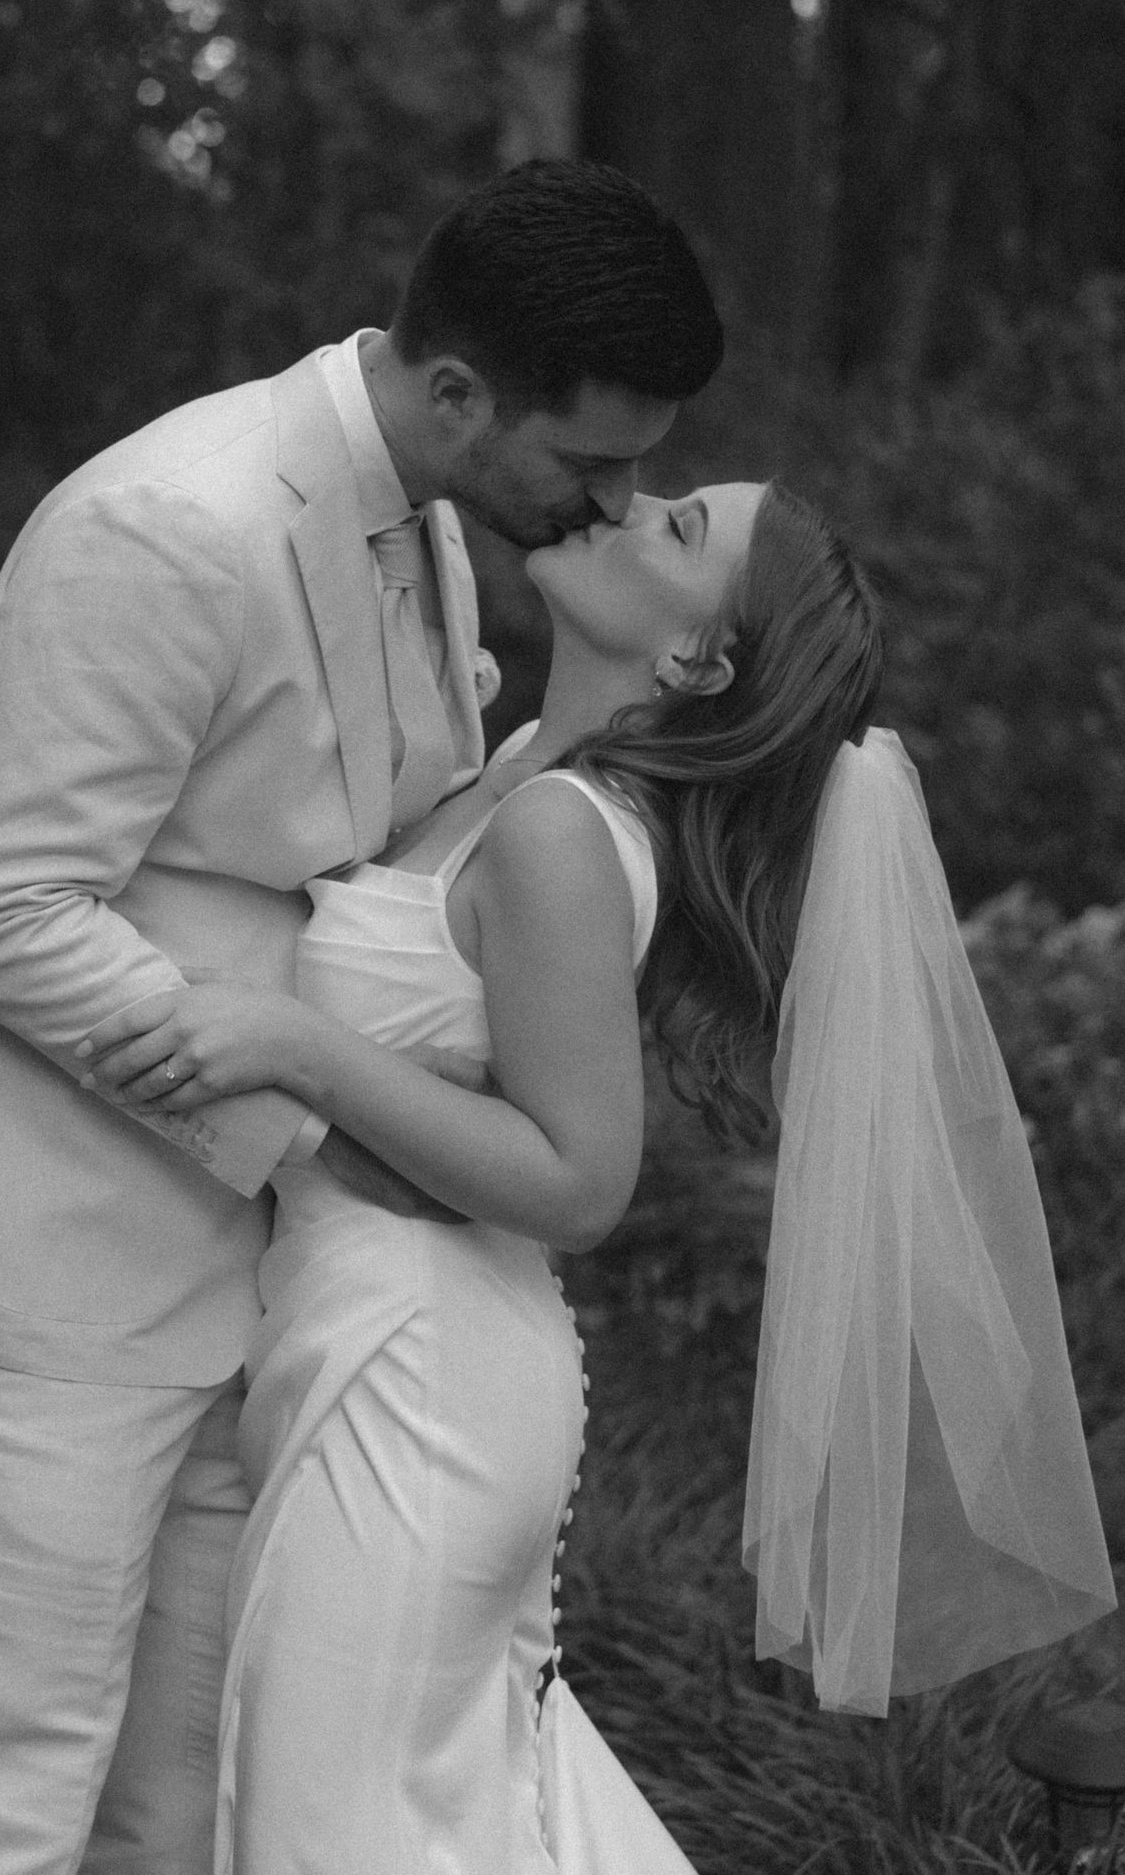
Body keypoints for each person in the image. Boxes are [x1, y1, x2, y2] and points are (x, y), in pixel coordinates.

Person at [0, 158, 724, 1875]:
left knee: (184, 1805)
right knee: (0, 1788)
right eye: (591, 460)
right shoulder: (169, 521)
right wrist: (311, 1118)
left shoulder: (436, 529)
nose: (614, 500)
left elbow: (367, 860)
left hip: (275, 1286)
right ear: (459, 393)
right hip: (45, 1254)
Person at [93, 480, 1117, 1873]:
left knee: (327, 1831)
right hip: (361, 1336)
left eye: (681, 527)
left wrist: (298, 1046)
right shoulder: (518, 767)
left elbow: (581, 1180)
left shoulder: (562, 830)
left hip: (424, 1379)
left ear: (697, 660)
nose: (631, 502)